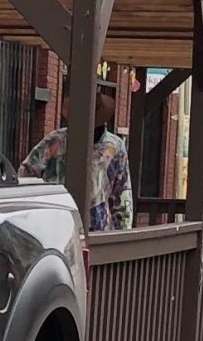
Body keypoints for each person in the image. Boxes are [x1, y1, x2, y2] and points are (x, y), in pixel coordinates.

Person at [19, 80, 133, 231]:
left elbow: (122, 192)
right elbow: (26, 174)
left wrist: (123, 235)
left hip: (97, 230)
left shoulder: (115, 147)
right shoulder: (56, 140)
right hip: (55, 226)